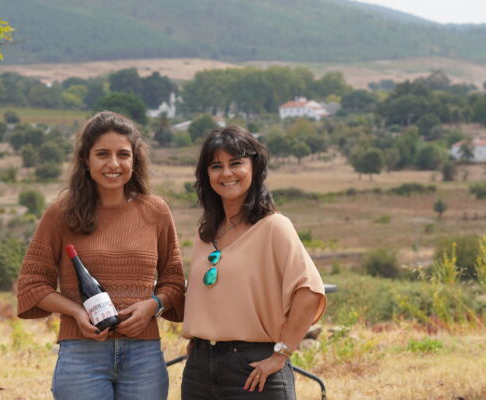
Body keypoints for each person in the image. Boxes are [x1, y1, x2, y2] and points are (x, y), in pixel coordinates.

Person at [17, 111, 185, 400]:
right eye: (102, 154)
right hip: (81, 354)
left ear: (135, 160)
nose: (114, 164)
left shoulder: (155, 211)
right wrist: (76, 313)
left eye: (123, 154)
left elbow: (174, 281)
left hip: (143, 355)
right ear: (86, 160)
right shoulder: (61, 214)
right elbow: (32, 285)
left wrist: (153, 305)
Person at [182, 125, 326, 400]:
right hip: (199, 369)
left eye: (236, 163)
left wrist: (282, 353)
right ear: (206, 175)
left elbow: (308, 292)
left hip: (253, 368)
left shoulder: (274, 226)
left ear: (255, 168)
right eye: (216, 166)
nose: (226, 173)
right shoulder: (205, 234)